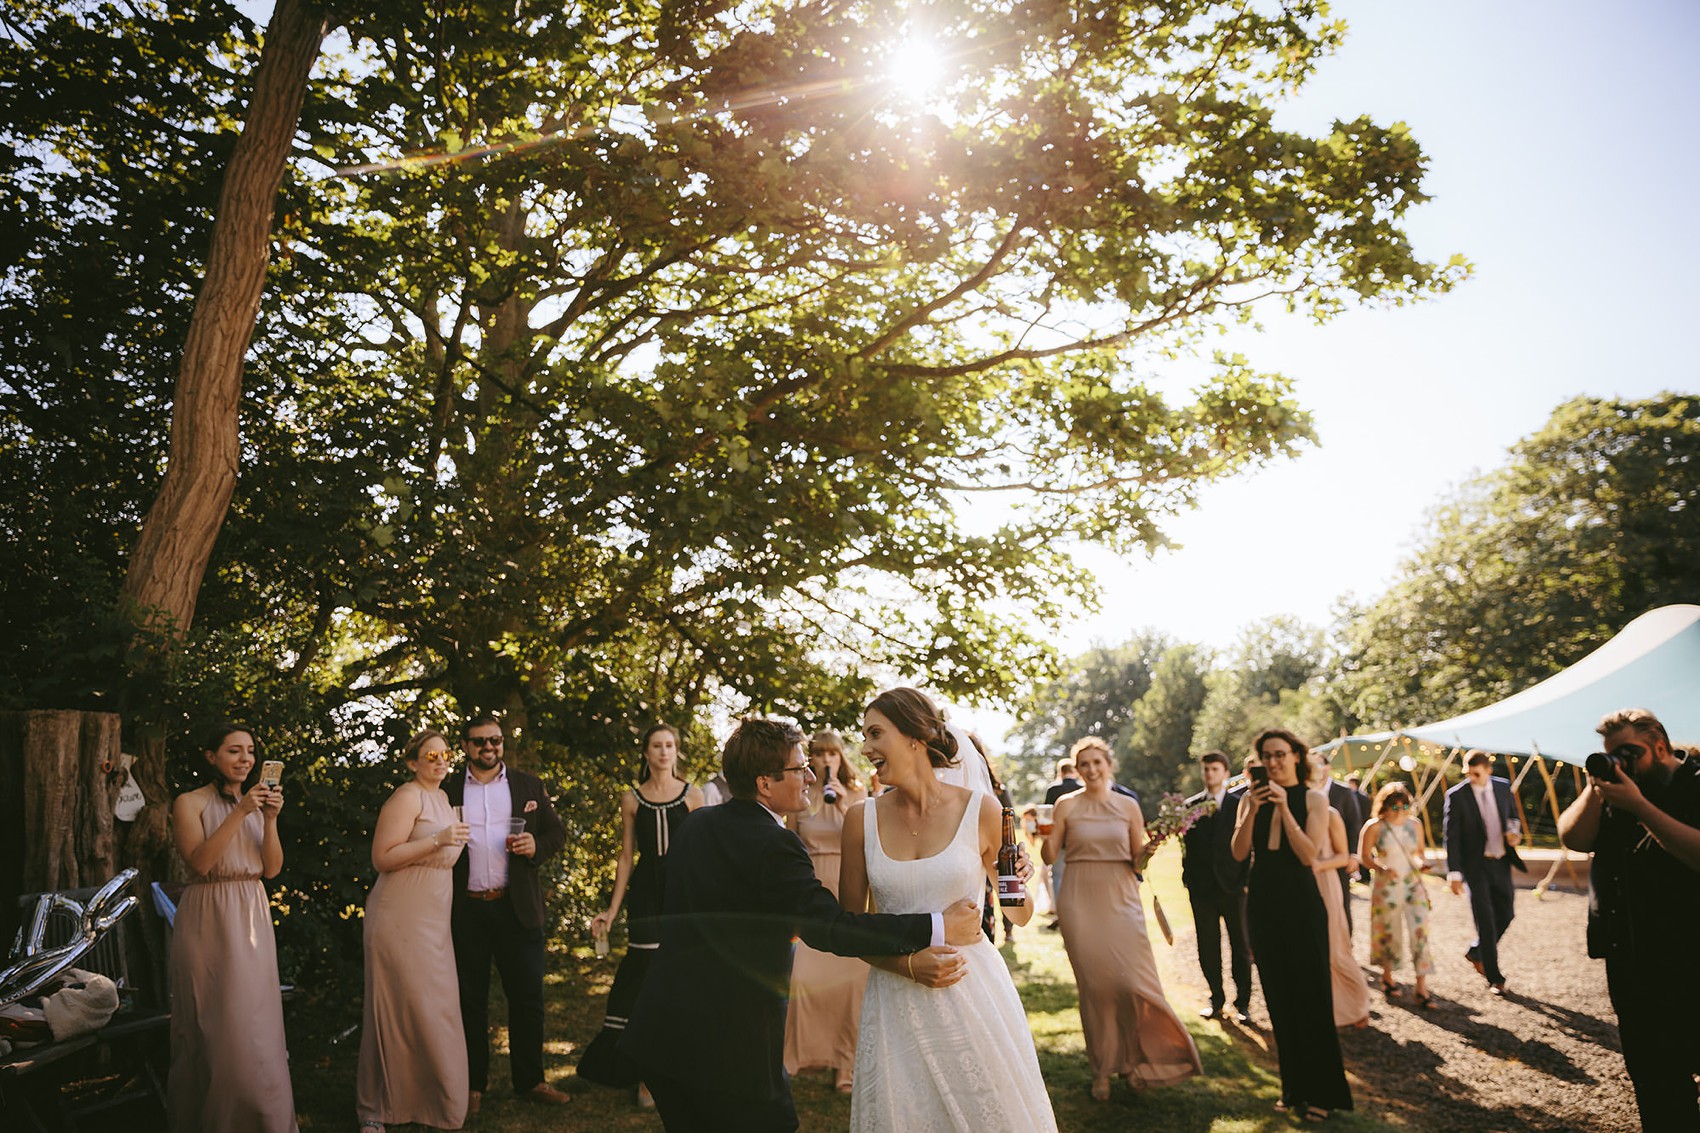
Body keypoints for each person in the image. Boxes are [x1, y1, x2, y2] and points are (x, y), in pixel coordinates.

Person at [619, 717, 983, 1133]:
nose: (811, 776)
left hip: (661, 1035)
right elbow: (829, 928)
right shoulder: (775, 844)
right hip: (729, 1048)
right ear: (765, 784)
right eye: (799, 768)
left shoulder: (697, 824)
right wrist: (936, 926)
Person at [842, 687, 1056, 1131]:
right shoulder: (859, 819)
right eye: (864, 736)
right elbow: (849, 929)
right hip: (895, 999)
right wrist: (905, 966)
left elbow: (1018, 913)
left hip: (972, 991)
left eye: (876, 733)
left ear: (915, 738)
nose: (865, 748)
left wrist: (1015, 875)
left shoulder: (983, 810)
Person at [1559, 707, 1700, 1131]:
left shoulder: (1693, 783)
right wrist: (1595, 786)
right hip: (1633, 960)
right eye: (1609, 753)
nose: (1619, 761)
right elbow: (1573, 837)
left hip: (1692, 953)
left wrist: (1640, 807)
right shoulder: (1613, 792)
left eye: (1628, 752)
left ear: (1659, 745)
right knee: (1657, 1083)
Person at [1045, 738, 1201, 1101]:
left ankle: (1135, 1061)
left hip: (1122, 895)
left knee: (1132, 984)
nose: (1091, 769)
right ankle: (1102, 1069)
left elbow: (1136, 861)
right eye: (1084, 764)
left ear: (1109, 764)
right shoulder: (1065, 805)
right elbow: (1051, 855)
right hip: (1079, 898)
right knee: (1096, 989)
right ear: (1077, 769)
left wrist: (1151, 848)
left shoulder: (1128, 806)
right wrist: (1046, 837)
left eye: (1097, 762)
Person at [167, 722, 296, 1132]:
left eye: (251, 752)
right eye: (234, 751)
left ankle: (263, 1119)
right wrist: (241, 811)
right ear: (211, 756)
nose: (246, 760)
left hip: (251, 911)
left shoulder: (257, 805)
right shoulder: (190, 802)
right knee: (216, 1024)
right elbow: (200, 863)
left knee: (256, 1022)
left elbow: (272, 869)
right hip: (209, 916)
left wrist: (270, 819)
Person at [443, 714, 570, 1115]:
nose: (488, 748)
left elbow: (557, 833)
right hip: (466, 909)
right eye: (479, 741)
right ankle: (472, 1086)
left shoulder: (528, 785)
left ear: (502, 742)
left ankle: (530, 1081)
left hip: (517, 909)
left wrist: (536, 845)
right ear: (465, 746)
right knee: (469, 1001)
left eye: (494, 740)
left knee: (528, 998)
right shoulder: (446, 789)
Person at [579, 723, 705, 1105]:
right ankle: (645, 1075)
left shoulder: (694, 795)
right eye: (657, 745)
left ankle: (682, 1068)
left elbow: (705, 852)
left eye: (670, 745)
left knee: (684, 978)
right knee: (646, 979)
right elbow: (625, 856)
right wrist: (612, 911)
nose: (664, 751)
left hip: (684, 893)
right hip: (647, 894)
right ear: (646, 753)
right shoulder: (631, 798)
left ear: (677, 751)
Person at [1231, 728, 1352, 1122]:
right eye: (1266, 756)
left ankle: (1323, 1093)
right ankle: (1293, 1089)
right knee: (1280, 1001)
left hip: (1301, 906)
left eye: (1280, 754)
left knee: (1312, 999)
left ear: (1297, 757)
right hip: (1263, 906)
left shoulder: (1315, 799)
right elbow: (1238, 852)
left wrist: (1284, 807)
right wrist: (1251, 808)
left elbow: (1306, 855)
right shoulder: (1250, 800)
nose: (1273, 762)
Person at [356, 729, 471, 1133]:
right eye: (430, 755)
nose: (440, 760)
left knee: (433, 1007)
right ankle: (375, 1107)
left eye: (445, 754)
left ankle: (433, 1102)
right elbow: (382, 857)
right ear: (412, 763)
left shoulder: (442, 798)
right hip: (398, 913)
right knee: (393, 1006)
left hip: (433, 918)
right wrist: (438, 839)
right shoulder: (407, 797)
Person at [782, 731, 869, 1093]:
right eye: (819, 754)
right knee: (801, 979)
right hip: (811, 886)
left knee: (850, 985)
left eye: (833, 753)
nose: (826, 759)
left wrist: (844, 798)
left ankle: (845, 1064)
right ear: (811, 761)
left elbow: (865, 839)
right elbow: (788, 842)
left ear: (841, 757)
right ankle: (799, 1056)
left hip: (847, 884)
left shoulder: (857, 795)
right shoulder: (802, 799)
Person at [1443, 750, 1525, 995]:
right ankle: (1494, 978)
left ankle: (1477, 951)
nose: (1472, 777)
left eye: (1476, 773)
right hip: (1474, 866)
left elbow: (1513, 817)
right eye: (1468, 772)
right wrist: (1454, 873)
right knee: (1486, 922)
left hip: (1501, 862)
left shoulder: (1502, 787)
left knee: (1507, 913)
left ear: (1488, 770)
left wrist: (1515, 834)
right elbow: (1452, 837)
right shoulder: (1457, 795)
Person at [1182, 750, 1252, 1024]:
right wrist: (1188, 880)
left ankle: (1243, 1002)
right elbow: (1186, 848)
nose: (1210, 774)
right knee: (1207, 945)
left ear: (1225, 773)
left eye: (1215, 769)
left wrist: (1245, 883)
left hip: (1234, 888)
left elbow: (1248, 848)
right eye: (1206, 769)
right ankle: (1216, 998)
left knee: (1240, 946)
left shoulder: (1239, 804)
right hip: (1202, 889)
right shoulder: (1191, 806)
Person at [1308, 752, 1370, 1029]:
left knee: (1336, 945)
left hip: (1328, 880)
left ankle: (1357, 1005)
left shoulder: (1334, 808)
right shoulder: (1295, 809)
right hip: (1303, 886)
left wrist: (1318, 865)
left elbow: (1344, 852)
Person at [1358, 782, 1434, 1009]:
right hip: (1387, 885)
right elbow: (1364, 856)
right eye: (1394, 806)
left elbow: (1419, 853)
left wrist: (1422, 864)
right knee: (1388, 931)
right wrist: (1380, 868)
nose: (1399, 810)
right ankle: (1388, 976)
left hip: (1412, 884)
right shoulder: (1375, 827)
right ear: (1384, 805)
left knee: (1420, 932)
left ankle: (1421, 985)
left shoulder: (1415, 825)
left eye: (1404, 806)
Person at [1319, 758, 1366, 931]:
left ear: (1327, 766)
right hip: (1317, 855)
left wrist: (1353, 854)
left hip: (1341, 855)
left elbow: (1354, 823)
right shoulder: (1307, 790)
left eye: (1319, 764)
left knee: (1342, 900)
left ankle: (1346, 940)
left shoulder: (1343, 791)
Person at [1043, 755, 1083, 922]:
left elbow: (1047, 815)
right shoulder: (1082, 788)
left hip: (1059, 840)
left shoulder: (1053, 790)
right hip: (1079, 840)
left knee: (1058, 876)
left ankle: (1062, 914)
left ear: (1060, 772)